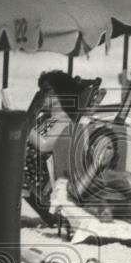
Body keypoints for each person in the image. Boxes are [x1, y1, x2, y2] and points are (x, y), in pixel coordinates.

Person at [22, 71, 84, 226]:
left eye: (46, 91)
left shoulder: (64, 121)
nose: (41, 95)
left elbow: (44, 145)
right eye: (41, 90)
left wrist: (25, 126)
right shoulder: (47, 119)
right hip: (30, 167)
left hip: (43, 174)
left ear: (60, 94)